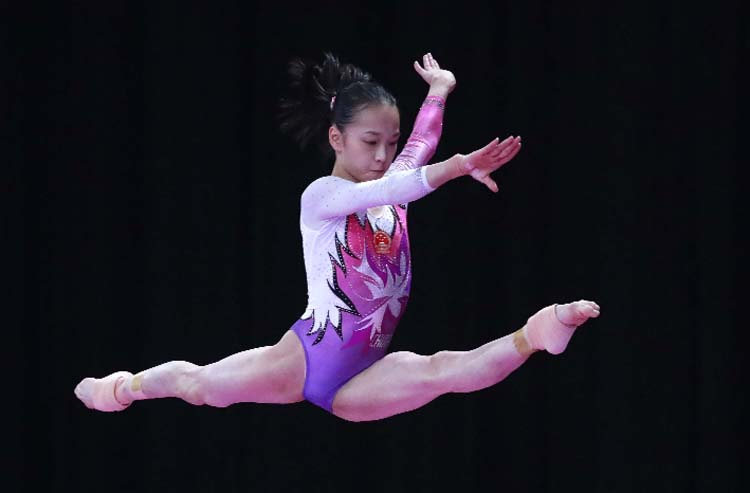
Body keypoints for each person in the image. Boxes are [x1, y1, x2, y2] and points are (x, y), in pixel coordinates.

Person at [75, 53, 600, 422]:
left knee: (446, 371)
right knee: (200, 387)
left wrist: (440, 89)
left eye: (387, 144)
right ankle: (124, 388)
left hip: (364, 376)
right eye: (369, 142)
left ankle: (539, 333)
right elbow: (412, 178)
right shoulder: (322, 197)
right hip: (308, 360)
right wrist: (461, 165)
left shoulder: (388, 187)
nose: (380, 155)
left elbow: (421, 143)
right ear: (336, 138)